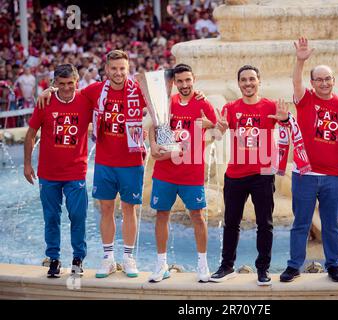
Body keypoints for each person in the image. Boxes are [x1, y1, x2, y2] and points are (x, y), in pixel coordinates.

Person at [38, 50, 149, 279]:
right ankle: (108, 258)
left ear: (128, 70)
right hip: (105, 162)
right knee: (106, 210)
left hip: (131, 160)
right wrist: (50, 90)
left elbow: (163, 105)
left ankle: (128, 257)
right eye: (114, 68)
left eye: (122, 69)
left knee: (130, 210)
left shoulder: (138, 90)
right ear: (106, 70)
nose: (118, 73)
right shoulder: (95, 90)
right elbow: (67, 92)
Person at [279, 37, 338, 283]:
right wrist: (300, 61)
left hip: (334, 175)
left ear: (334, 81)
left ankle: (333, 265)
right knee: (300, 223)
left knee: (331, 224)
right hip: (305, 174)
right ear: (313, 83)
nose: (324, 83)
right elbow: (296, 81)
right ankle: (294, 265)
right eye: (319, 79)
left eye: (327, 78)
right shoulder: (306, 99)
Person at [209, 65, 289, 286]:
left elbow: (289, 131)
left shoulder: (270, 106)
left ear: (259, 81)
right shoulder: (231, 108)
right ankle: (226, 266)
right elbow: (216, 135)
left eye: (252, 79)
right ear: (239, 84)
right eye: (243, 80)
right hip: (235, 174)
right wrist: (220, 127)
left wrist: (284, 120)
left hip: (262, 174)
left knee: (265, 224)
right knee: (231, 223)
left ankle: (262, 270)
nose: (248, 83)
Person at [147, 63, 217, 283]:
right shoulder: (169, 102)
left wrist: (210, 124)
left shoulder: (203, 102)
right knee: (162, 216)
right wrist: (153, 144)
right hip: (165, 173)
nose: (185, 85)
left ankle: (203, 265)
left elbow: (217, 128)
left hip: (192, 173)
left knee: (197, 216)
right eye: (180, 81)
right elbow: (154, 126)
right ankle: (161, 265)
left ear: (194, 78)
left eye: (188, 80)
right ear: (175, 82)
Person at [24, 64, 92, 278]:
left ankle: (78, 258)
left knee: (78, 215)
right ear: (54, 84)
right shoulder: (45, 102)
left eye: (70, 83)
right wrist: (27, 163)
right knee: (51, 217)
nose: (66, 88)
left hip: (76, 172)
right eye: (60, 84)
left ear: (76, 82)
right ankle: (53, 258)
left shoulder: (85, 100)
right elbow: (30, 134)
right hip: (49, 174)